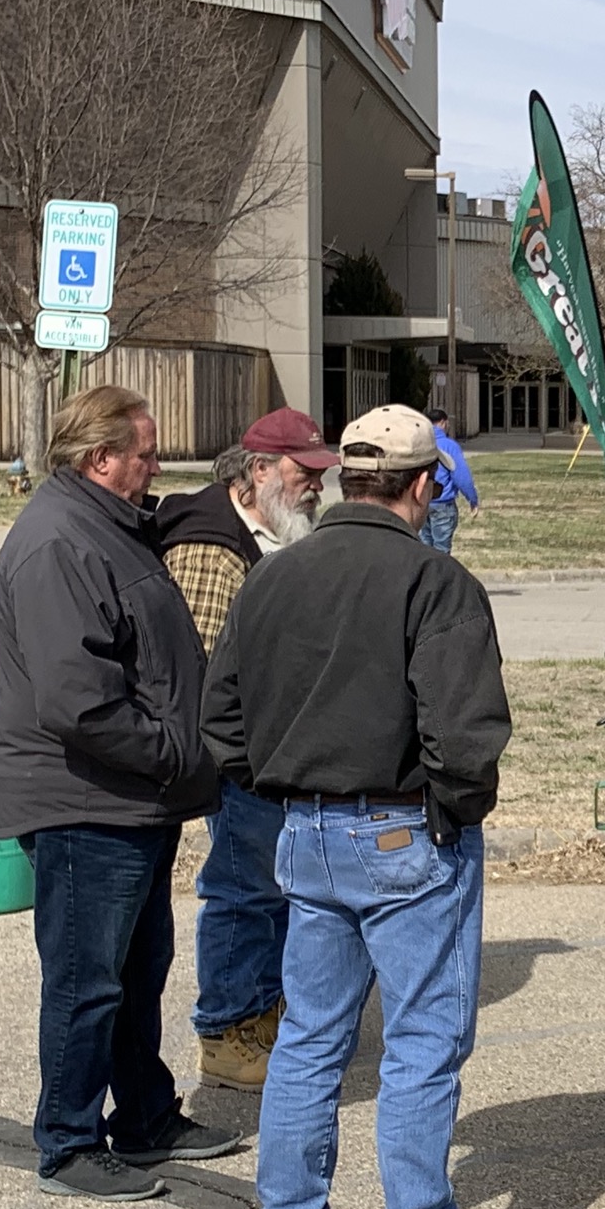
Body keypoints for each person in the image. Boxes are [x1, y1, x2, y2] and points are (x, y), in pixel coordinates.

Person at [203, 403, 517, 1209]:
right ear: (425, 485)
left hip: (306, 830)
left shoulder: (274, 576)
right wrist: (453, 814)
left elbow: (221, 720)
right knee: (423, 1043)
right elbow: (466, 734)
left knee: (308, 1039)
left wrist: (284, 789)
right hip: (404, 829)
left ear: (346, 479)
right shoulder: (435, 582)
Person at [0, 384, 235, 1201]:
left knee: (138, 969)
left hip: (133, 797)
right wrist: (175, 753)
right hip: (86, 801)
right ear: (102, 460)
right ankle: (68, 1140)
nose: (157, 466)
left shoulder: (109, 526)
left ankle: (144, 1118)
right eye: (146, 453)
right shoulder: (59, 542)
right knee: (87, 978)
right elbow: (78, 700)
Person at [155, 407, 339, 1088]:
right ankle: (225, 1031)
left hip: (275, 750)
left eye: (320, 474)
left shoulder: (273, 532)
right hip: (238, 759)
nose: (316, 486)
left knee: (272, 889)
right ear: (257, 472)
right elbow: (203, 671)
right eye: (304, 473)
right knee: (242, 889)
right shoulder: (211, 544)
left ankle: (261, 1013)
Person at [420, 406, 479, 553]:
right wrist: (472, 499)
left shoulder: (420, 444)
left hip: (421, 502)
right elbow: (461, 476)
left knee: (424, 548)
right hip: (443, 503)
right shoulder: (450, 446)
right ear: (442, 423)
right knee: (441, 550)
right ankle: (439, 575)